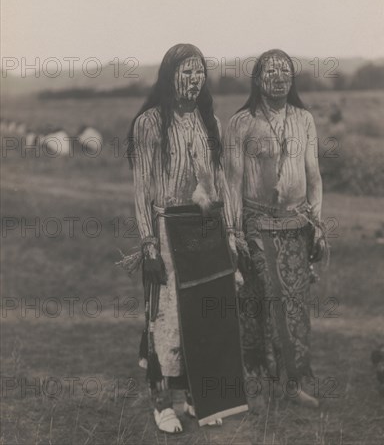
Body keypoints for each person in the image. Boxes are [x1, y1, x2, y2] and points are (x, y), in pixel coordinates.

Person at [124, 44, 246, 433]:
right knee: (165, 319)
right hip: (166, 230)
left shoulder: (210, 121)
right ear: (169, 75)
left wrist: (229, 231)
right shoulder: (149, 123)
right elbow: (142, 190)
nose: (193, 80)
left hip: (206, 230)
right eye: (185, 72)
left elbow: (222, 181)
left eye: (199, 73)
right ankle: (162, 403)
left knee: (205, 315)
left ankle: (198, 397)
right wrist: (148, 245)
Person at [224, 49, 327, 409]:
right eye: (271, 71)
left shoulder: (304, 119)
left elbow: (314, 177)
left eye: (285, 71)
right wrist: (233, 235)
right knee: (263, 302)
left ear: (292, 79)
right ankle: (259, 384)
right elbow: (232, 184)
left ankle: (291, 384)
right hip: (256, 224)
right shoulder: (241, 123)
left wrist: (317, 224)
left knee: (295, 307)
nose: (279, 77)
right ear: (257, 79)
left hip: (297, 224)